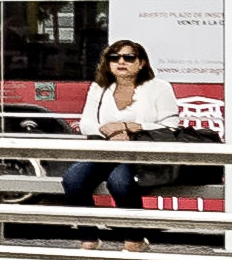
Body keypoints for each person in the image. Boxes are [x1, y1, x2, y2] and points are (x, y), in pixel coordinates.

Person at [62, 37, 179, 226]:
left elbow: (171, 125)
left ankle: (135, 239)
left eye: (129, 57)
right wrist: (110, 132)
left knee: (120, 183)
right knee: (72, 179)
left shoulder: (159, 87)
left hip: (139, 154)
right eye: (114, 58)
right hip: (105, 151)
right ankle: (88, 238)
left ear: (141, 63)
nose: (121, 62)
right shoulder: (99, 87)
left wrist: (130, 127)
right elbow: (86, 123)